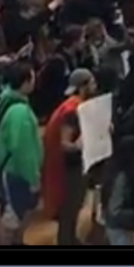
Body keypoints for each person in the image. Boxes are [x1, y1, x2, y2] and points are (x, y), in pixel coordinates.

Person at [42, 67, 94, 245]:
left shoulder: (72, 105)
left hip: (71, 166)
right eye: (92, 82)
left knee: (73, 208)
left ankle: (71, 239)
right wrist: (80, 144)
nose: (95, 85)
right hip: (70, 169)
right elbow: (65, 144)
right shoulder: (72, 111)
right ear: (82, 86)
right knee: (69, 209)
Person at [0, 60, 42, 246]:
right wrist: (33, 178)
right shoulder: (19, 112)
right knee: (11, 217)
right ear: (25, 82)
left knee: (17, 213)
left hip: (15, 170)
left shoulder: (14, 103)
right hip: (17, 172)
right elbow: (22, 149)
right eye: (32, 77)